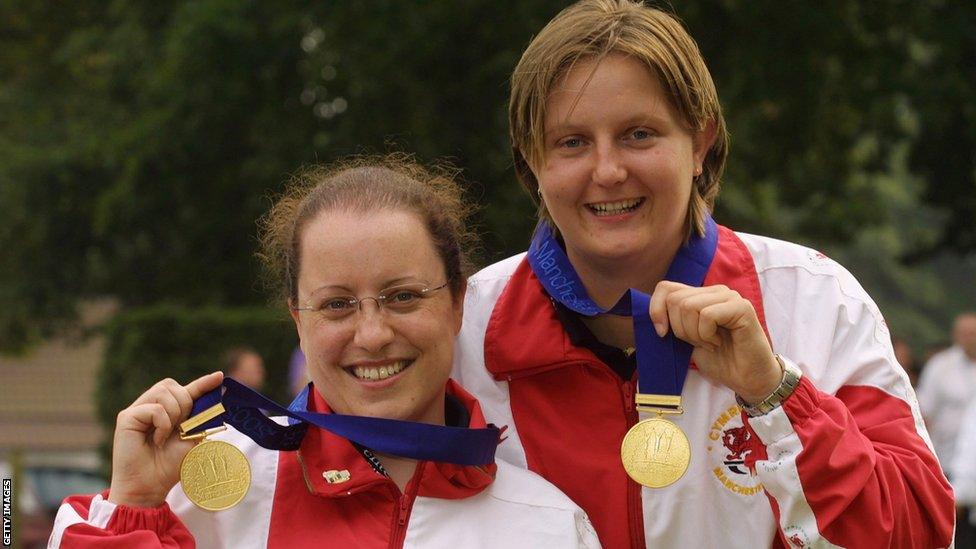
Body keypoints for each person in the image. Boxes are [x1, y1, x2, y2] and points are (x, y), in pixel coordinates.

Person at [452, 1, 954, 547]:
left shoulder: (813, 298)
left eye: (639, 134)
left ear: (700, 143)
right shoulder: (464, 326)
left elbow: (922, 533)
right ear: (531, 161)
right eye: (571, 142)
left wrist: (776, 396)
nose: (609, 170)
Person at [49, 156, 600, 548]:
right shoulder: (210, 500)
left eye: (402, 296)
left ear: (458, 303)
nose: (372, 333)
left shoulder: (548, 525)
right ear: (298, 320)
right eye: (336, 305)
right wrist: (134, 504)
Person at [918, 312, 976, 545]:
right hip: (944, 461)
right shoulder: (940, 366)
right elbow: (923, 412)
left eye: (973, 333)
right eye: (965, 333)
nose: (970, 338)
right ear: (955, 335)